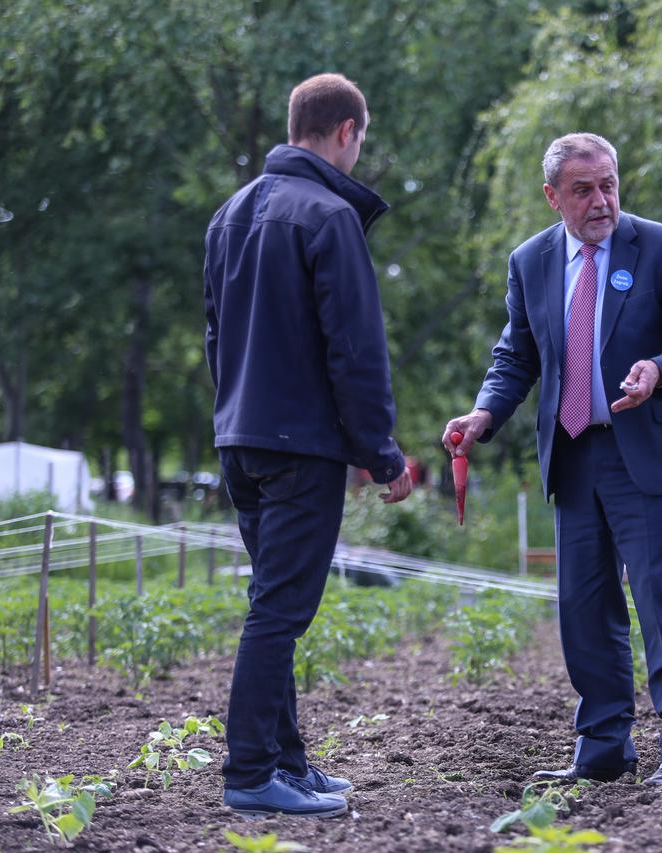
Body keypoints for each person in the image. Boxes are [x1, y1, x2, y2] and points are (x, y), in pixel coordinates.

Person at [443, 133, 662, 787]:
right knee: (583, 603)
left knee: (658, 596)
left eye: (609, 185)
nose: (601, 201)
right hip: (574, 454)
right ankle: (602, 746)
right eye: (583, 189)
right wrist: (485, 412)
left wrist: (661, 368)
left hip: (646, 451)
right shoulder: (531, 261)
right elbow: (518, 355)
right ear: (552, 197)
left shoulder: (661, 247)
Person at [204, 73, 413, 818]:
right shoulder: (329, 215)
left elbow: (213, 336)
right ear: (347, 131)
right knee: (281, 611)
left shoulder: (228, 215)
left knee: (273, 600)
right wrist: (381, 451)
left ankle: (287, 763)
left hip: (241, 438)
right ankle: (251, 771)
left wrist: (235, 414)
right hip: (301, 447)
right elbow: (353, 350)